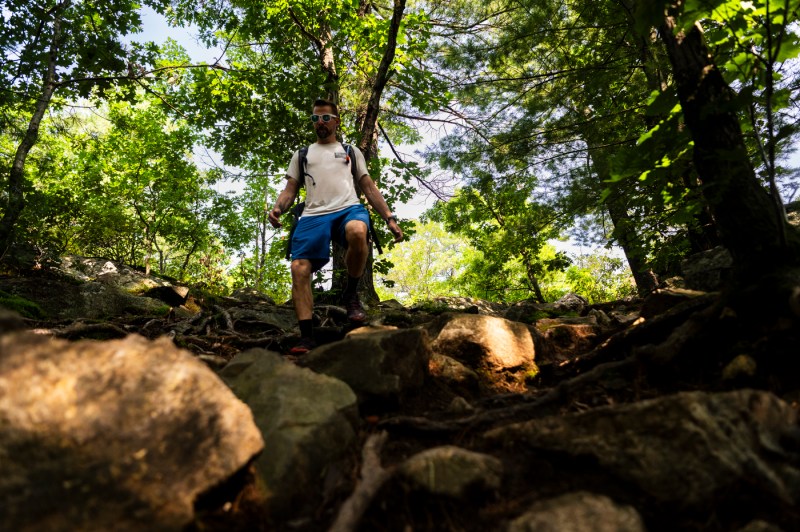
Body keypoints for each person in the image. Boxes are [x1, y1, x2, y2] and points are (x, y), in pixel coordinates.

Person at [268, 99, 403, 354]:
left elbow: (368, 186)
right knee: (299, 268)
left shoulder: (351, 150)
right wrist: (278, 208)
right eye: (315, 119)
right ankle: (306, 337)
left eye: (326, 118)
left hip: (347, 208)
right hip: (312, 215)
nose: (320, 122)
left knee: (358, 231)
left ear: (336, 121)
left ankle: (350, 295)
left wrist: (389, 218)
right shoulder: (302, 154)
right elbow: (289, 190)